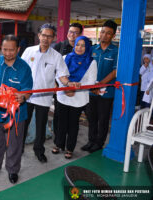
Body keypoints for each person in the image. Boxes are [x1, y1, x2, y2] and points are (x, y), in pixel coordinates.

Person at [21, 23, 76, 163]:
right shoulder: (28, 51)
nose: (45, 38)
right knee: (22, 124)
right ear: (39, 35)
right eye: (43, 35)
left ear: (54, 38)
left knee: (41, 126)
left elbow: (62, 75)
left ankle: (38, 150)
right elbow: (20, 69)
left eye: (49, 36)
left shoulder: (56, 56)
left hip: (43, 98)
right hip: (25, 96)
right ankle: (18, 148)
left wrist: (68, 84)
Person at [0, 35, 33, 184]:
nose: (8, 53)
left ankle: (12, 170)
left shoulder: (24, 68)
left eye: (11, 50)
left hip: (15, 114)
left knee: (13, 144)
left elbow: (28, 91)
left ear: (18, 49)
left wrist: (22, 97)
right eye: (4, 49)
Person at [52, 36, 97, 159]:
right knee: (61, 123)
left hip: (78, 98)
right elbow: (58, 75)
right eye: (77, 45)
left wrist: (76, 88)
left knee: (73, 124)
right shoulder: (65, 58)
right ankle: (58, 144)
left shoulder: (91, 62)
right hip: (63, 96)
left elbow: (91, 82)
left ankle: (70, 148)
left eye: (83, 45)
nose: (79, 48)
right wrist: (67, 87)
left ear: (87, 47)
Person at [81, 20, 118, 153]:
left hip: (106, 93)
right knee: (91, 118)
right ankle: (91, 140)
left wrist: (99, 85)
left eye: (108, 33)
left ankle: (99, 143)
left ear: (113, 36)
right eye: (103, 32)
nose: (104, 35)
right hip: (91, 91)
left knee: (102, 119)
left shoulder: (115, 51)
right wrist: (92, 86)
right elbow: (85, 68)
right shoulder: (92, 49)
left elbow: (115, 72)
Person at [52, 23, 83, 141]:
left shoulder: (83, 49)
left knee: (73, 118)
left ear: (80, 34)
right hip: (59, 88)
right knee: (59, 115)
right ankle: (58, 140)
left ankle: (70, 142)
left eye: (75, 32)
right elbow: (52, 68)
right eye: (70, 31)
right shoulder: (58, 47)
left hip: (76, 89)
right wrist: (54, 85)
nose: (72, 35)